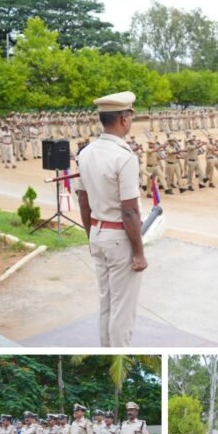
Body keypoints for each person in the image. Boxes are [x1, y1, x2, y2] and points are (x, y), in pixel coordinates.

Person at [75, 91, 147, 347]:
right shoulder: (124, 157)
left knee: (106, 302)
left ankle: (106, 350)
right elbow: (129, 210)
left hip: (97, 231)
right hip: (119, 237)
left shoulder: (85, 153)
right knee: (122, 310)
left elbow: (83, 201)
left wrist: (91, 236)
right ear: (124, 119)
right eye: (130, 116)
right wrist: (138, 252)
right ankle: (118, 354)